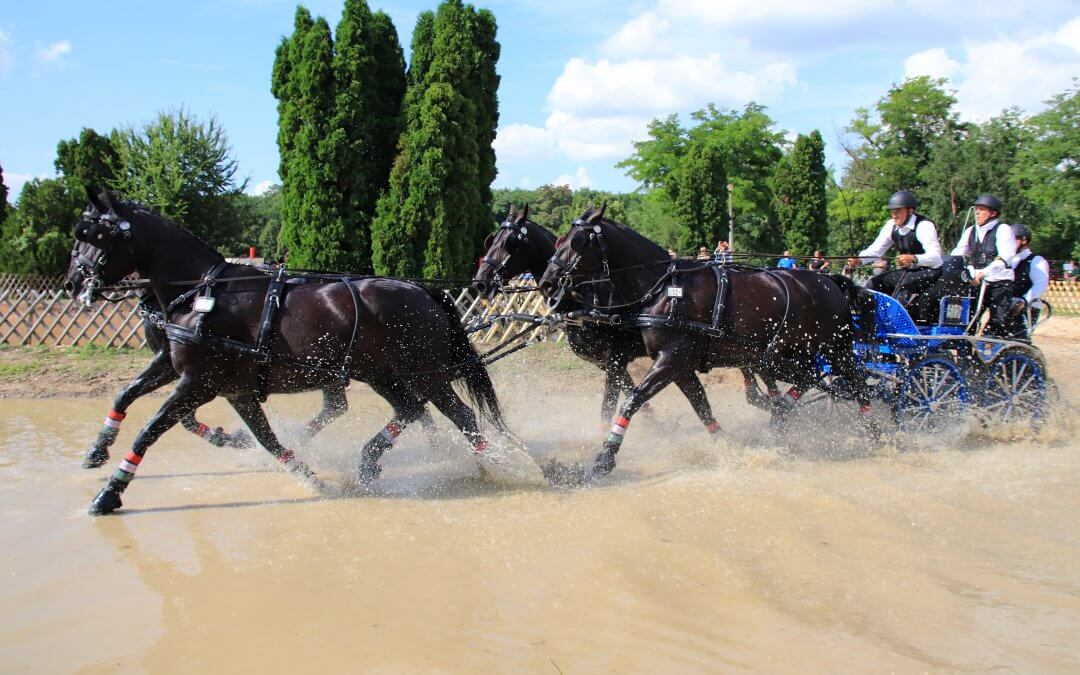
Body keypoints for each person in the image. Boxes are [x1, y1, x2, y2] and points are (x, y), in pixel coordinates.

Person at [845, 190, 943, 308]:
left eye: (898, 211)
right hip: (907, 273)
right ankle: (871, 320)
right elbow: (876, 249)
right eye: (892, 211)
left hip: (931, 272)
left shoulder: (924, 225)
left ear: (910, 211)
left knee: (904, 285)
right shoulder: (891, 225)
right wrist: (859, 260)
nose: (894, 215)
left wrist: (913, 258)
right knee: (873, 283)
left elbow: (936, 258)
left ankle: (898, 323)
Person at [949, 194, 1018, 338]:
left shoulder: (1003, 230)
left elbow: (1005, 258)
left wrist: (984, 272)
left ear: (992, 213)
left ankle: (996, 353)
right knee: (967, 321)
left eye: (981, 209)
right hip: (977, 283)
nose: (977, 213)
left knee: (998, 323)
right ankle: (965, 353)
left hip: (999, 284)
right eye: (976, 209)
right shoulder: (970, 231)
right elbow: (958, 254)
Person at [1009, 223, 1050, 340]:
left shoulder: (1036, 261)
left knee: (1018, 341)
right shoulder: (1009, 260)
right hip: (1007, 306)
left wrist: (1024, 301)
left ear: (1024, 240)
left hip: (1025, 308)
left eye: (1013, 239)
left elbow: (1040, 284)